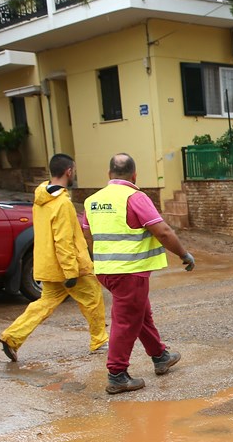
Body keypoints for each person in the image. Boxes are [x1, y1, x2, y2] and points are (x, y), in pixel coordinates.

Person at [82, 153, 195, 394]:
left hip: (106, 271)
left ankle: (160, 355)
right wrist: (184, 254)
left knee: (140, 313)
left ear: (108, 174)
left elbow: (88, 235)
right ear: (134, 175)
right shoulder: (135, 197)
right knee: (125, 322)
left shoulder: (92, 200)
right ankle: (117, 374)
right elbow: (162, 232)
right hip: (130, 272)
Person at [0, 154, 108, 362]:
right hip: (69, 266)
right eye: (73, 170)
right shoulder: (62, 203)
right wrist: (71, 271)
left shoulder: (41, 199)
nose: (74, 174)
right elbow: (63, 239)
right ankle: (100, 341)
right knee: (93, 298)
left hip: (49, 265)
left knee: (44, 303)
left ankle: (12, 337)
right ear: (69, 171)